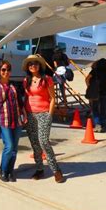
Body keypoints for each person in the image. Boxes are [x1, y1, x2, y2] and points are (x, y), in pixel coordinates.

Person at [22, 54, 65, 183]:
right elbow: (26, 98)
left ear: (39, 65)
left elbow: (53, 98)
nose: (32, 65)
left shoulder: (47, 79)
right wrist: (24, 114)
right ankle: (40, 169)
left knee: (44, 142)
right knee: (35, 144)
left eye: (35, 63)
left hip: (43, 114)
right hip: (30, 114)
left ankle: (56, 170)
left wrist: (50, 115)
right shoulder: (26, 80)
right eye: (30, 64)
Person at [0, 60, 25, 182]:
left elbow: (20, 102)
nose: (6, 72)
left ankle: (10, 170)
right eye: (3, 69)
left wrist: (24, 114)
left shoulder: (14, 85)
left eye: (8, 69)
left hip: (17, 120)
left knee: (14, 148)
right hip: (4, 120)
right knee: (9, 146)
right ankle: (3, 170)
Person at [85, 58, 106, 133]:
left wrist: (89, 87)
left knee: (95, 109)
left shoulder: (94, 71)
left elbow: (87, 79)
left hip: (95, 93)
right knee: (103, 109)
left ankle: (98, 124)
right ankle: (102, 123)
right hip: (104, 92)